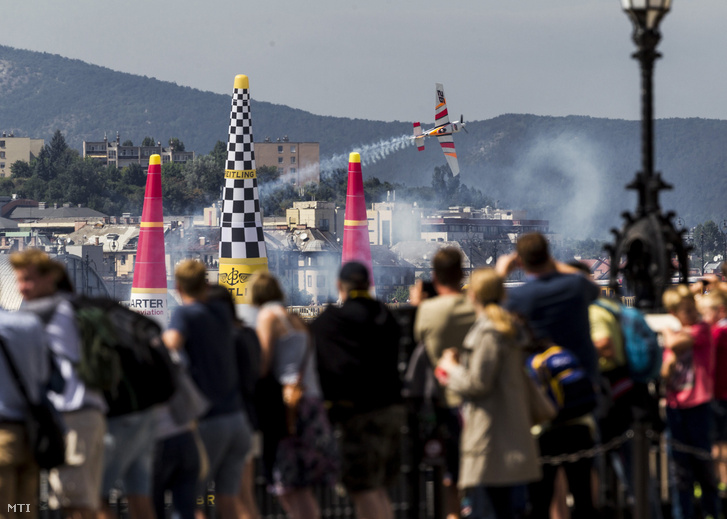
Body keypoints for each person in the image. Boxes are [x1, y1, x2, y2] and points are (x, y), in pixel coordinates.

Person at [495, 233, 600, 518]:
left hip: (540, 402)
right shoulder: (576, 286)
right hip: (578, 394)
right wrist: (554, 263)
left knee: (539, 495)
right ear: (548, 255)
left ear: (521, 261)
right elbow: (594, 286)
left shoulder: (516, 297)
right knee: (584, 489)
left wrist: (502, 271)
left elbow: (487, 307)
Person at [434, 268, 541, 519]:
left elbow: (478, 383)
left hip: (490, 433)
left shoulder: (488, 332)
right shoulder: (507, 328)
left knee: (489, 508)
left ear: (473, 295)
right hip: (508, 430)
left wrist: (451, 369)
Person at [11, 249, 107, 519]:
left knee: (71, 501)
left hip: (72, 415)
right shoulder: (78, 305)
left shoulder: (45, 311)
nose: (22, 288)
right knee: (83, 500)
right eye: (19, 280)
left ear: (50, 277)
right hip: (91, 413)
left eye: (28, 279)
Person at [311, 261, 405, 519]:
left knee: (362, 488)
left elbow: (319, 347)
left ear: (339, 285)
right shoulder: (386, 316)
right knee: (379, 487)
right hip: (392, 409)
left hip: (359, 415)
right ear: (369, 284)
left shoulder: (333, 322)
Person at [162, 260, 251, 519]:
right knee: (229, 499)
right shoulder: (222, 312)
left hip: (208, 421)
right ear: (207, 284)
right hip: (237, 419)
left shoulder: (185, 313)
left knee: (192, 500)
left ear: (177, 287)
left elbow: (171, 344)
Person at [250, 271, 337, 519]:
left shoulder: (268, 316)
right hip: (310, 403)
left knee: (286, 486)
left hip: (288, 408)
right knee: (301, 488)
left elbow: (263, 364)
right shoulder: (297, 319)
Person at [413, 247, 476, 519]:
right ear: (461, 274)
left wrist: (418, 304)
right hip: (477, 400)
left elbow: (416, 338)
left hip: (444, 402)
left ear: (434, 275)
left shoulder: (427, 310)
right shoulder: (476, 307)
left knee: (448, 476)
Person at [661, 284, 721, 518]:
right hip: (676, 407)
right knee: (680, 473)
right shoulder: (682, 334)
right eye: (686, 310)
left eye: (692, 309)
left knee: (704, 468)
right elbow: (666, 372)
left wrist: (668, 334)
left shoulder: (702, 329)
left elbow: (674, 346)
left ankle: (712, 512)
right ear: (675, 313)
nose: (692, 314)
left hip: (699, 405)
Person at [207, 284, 262, 519]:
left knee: (232, 497)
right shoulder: (249, 334)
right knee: (244, 495)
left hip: (230, 415)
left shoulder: (225, 338)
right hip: (251, 418)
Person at [0, 305, 52, 519]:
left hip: (3, 434)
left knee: (4, 510)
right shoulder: (29, 324)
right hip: (32, 434)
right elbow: (44, 376)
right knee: (24, 508)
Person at [698, 288, 727, 507]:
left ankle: (721, 481)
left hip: (718, 394)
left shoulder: (717, 333)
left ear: (719, 311)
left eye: (705, 313)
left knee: (718, 442)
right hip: (721, 393)